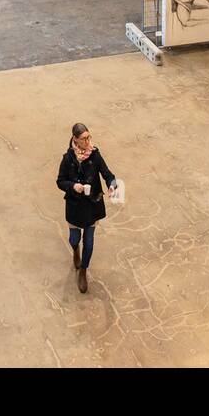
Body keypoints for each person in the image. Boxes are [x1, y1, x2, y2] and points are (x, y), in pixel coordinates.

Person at [55, 123, 118, 294]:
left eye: (89, 137)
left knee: (89, 242)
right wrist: (73, 186)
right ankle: (75, 250)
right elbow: (60, 181)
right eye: (83, 139)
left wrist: (112, 185)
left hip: (92, 205)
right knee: (74, 238)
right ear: (75, 139)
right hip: (75, 206)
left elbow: (108, 174)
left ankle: (83, 270)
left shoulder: (95, 155)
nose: (87, 141)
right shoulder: (68, 158)